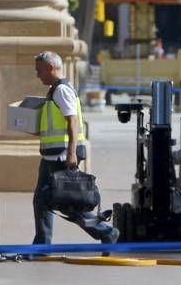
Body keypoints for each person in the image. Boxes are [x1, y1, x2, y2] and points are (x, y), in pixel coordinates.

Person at [32, 51, 118, 250]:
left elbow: (73, 121)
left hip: (61, 158)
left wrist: (71, 153)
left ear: (51, 68)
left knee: (69, 203)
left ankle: (108, 232)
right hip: (51, 157)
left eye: (40, 70)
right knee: (44, 202)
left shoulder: (62, 90)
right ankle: (41, 246)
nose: (38, 75)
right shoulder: (54, 90)